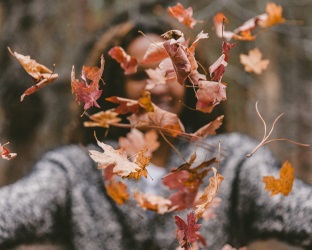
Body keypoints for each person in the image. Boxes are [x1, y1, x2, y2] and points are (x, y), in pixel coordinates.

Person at [0, 2, 311, 250]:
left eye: (169, 72)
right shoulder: (75, 171)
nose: (156, 86)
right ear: (113, 90)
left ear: (191, 82)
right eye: (138, 76)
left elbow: (300, 211)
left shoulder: (232, 162)